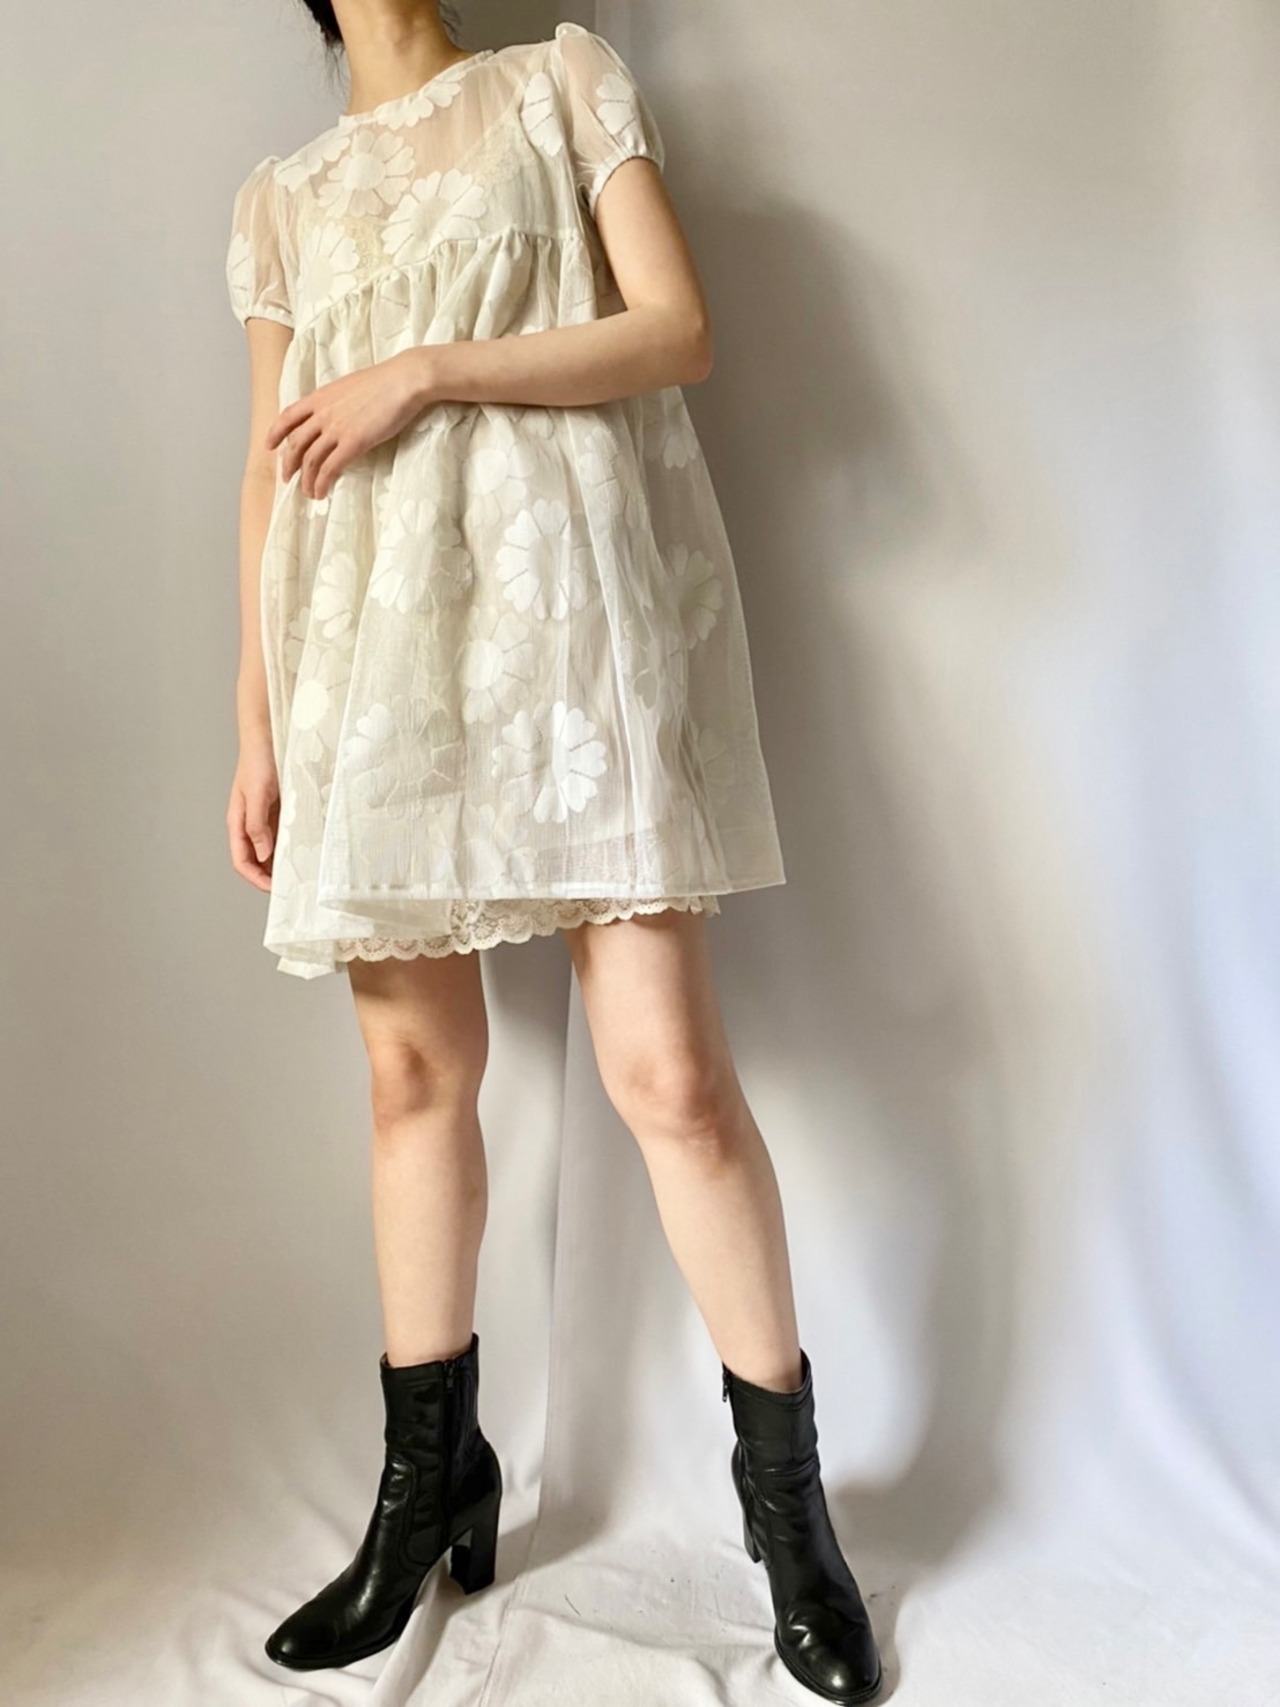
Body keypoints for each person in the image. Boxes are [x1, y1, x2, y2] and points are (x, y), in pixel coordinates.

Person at [223, 3, 882, 1700]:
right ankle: (427, 1485)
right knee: (410, 1078)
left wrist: (427, 369)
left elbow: (676, 331)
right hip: (366, 662)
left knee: (671, 1078)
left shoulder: (556, 83)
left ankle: (792, 1522)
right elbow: (269, 483)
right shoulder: (283, 199)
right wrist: (257, 721)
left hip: (571, 632)